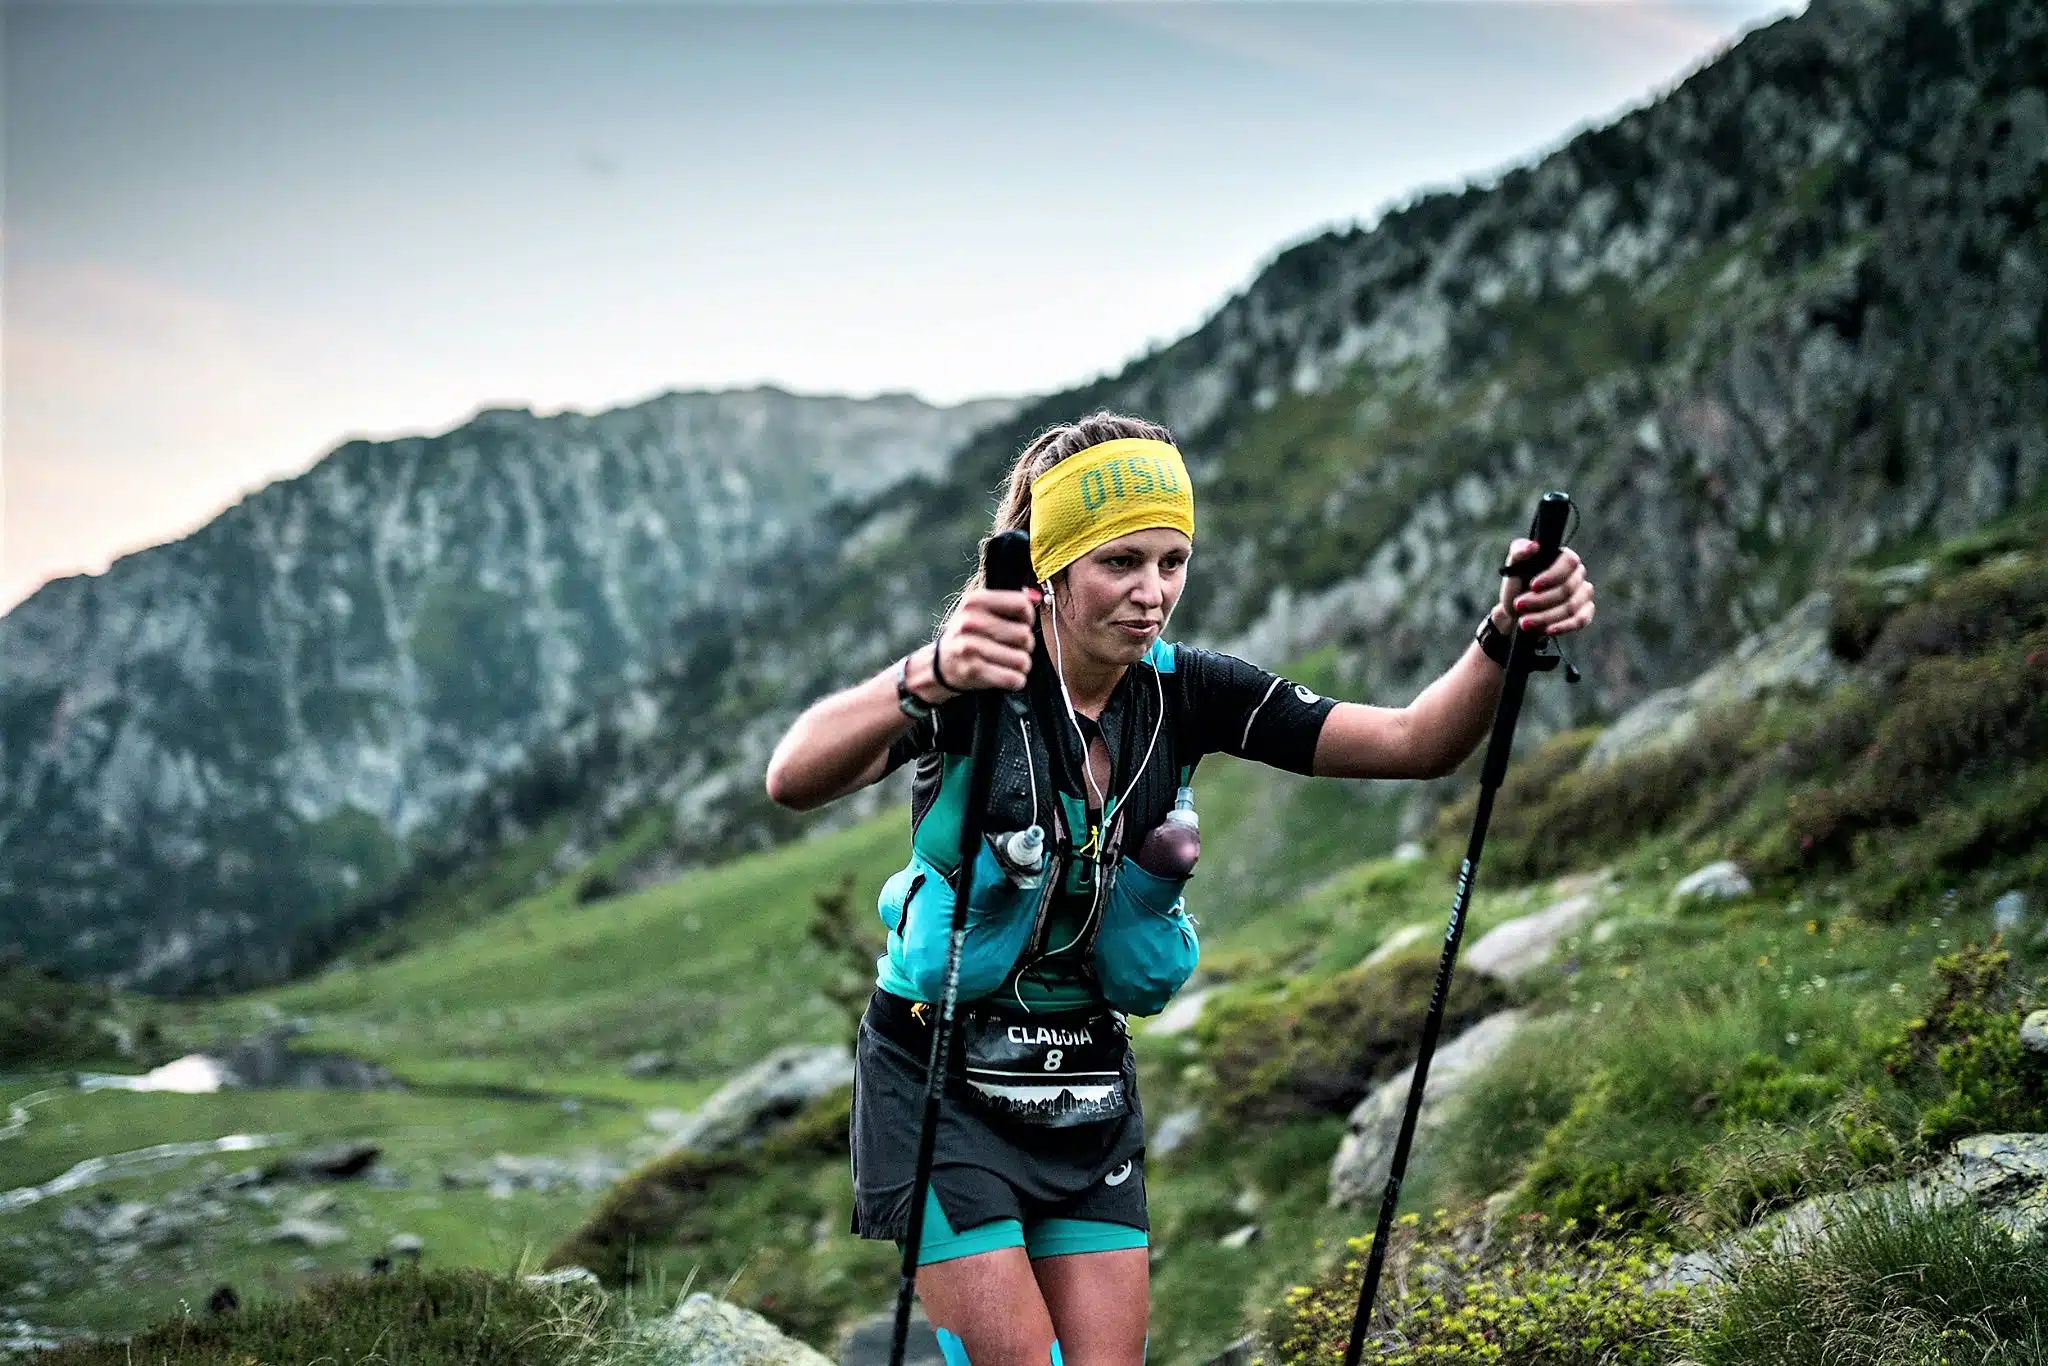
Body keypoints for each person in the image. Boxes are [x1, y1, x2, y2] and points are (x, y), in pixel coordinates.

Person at [764, 412, 1594, 1366]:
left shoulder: (1192, 691)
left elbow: (1419, 743)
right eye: (1120, 563)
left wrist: (1503, 631)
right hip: (941, 1079)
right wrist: (932, 673)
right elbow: (792, 776)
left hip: (1084, 1079)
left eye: (1173, 561)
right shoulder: (977, 679)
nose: (1152, 593)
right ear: (1052, 567)